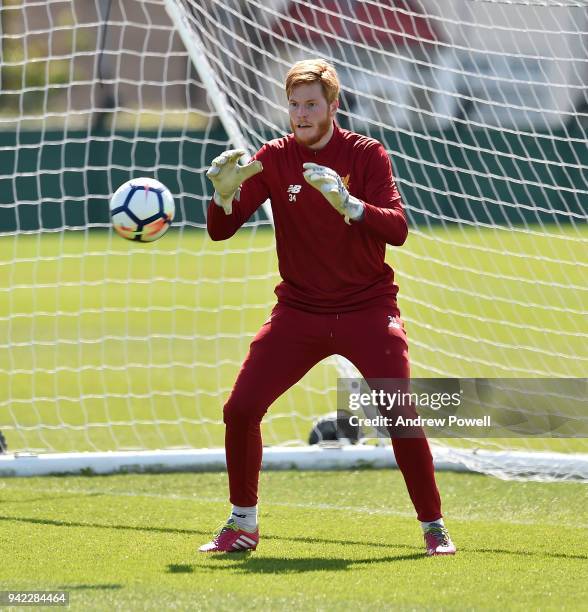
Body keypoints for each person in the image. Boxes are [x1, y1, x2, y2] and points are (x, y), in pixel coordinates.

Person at [200, 58, 456, 556]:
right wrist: (223, 197)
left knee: (399, 413)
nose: (300, 114)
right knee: (241, 409)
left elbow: (398, 229)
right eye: (294, 105)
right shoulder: (273, 157)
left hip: (367, 308)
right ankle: (242, 524)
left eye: (311, 105)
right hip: (300, 310)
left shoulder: (366, 155)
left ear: (333, 106)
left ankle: (433, 527)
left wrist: (352, 205)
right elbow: (219, 230)